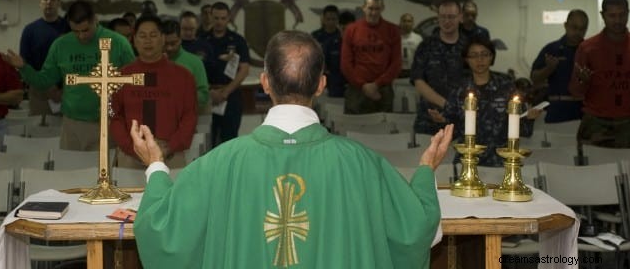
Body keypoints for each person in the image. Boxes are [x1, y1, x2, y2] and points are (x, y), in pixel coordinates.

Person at [130, 30, 452, 269]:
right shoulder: (363, 164)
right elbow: (415, 231)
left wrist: (156, 166)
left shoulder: (218, 163)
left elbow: (160, 231)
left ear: (266, 83)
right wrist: (424, 171)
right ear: (322, 85)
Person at [6, 0, 135, 151]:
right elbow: (44, 80)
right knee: (70, 172)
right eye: (76, 31)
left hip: (108, 122)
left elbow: (134, 82)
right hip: (71, 124)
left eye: (85, 30)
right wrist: (24, 68)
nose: (81, 36)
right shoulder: (61, 45)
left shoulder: (118, 43)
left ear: (95, 20)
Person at [429, 37, 540, 167]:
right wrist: (441, 121)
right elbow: (451, 131)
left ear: (492, 57)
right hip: (468, 159)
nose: (479, 60)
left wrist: (529, 118)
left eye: (484, 54)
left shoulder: (506, 85)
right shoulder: (459, 89)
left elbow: (522, 129)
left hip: (501, 160)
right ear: (466, 59)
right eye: (474, 55)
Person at [109, 16, 197, 168]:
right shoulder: (122, 76)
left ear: (163, 39)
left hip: (171, 155)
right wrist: (133, 148)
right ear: (134, 40)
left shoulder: (183, 76)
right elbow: (114, 117)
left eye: (153, 35)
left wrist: (169, 147)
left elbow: (190, 116)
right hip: (131, 155)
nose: (148, 41)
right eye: (142, 36)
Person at [569, 0, 630, 149]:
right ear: (603, 15)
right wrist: (583, 80)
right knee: (594, 172)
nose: (617, 20)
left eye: (622, 15)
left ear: (628, 13)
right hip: (596, 123)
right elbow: (575, 92)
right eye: (612, 16)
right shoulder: (587, 48)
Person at [411, 0, 468, 135]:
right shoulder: (426, 46)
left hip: (460, 120)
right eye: (443, 17)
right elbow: (418, 81)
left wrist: (453, 109)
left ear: (460, 17)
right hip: (429, 118)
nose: (446, 21)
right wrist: (445, 105)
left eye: (451, 17)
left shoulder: (469, 46)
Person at [341, 0, 401, 114]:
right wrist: (363, 85)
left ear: (382, 8)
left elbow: (396, 63)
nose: (373, 13)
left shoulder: (392, 30)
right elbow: (345, 63)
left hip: (383, 89)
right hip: (356, 89)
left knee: (385, 128)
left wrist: (377, 84)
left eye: (377, 9)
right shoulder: (351, 30)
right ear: (364, 7)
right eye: (370, 8)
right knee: (352, 128)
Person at [203, 2, 250, 145]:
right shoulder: (202, 39)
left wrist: (225, 92)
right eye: (216, 18)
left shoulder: (237, 40)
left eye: (223, 18)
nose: (219, 22)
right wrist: (210, 91)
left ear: (228, 18)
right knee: (206, 139)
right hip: (207, 94)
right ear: (210, 17)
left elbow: (244, 69)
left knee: (230, 140)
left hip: (230, 96)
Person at [19, 0, 70, 118]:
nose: (49, 2)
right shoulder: (30, 30)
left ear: (59, 3)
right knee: (39, 131)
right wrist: (47, 87)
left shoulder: (68, 28)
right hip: (38, 91)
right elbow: (25, 62)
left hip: (66, 90)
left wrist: (60, 88)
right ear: (40, 2)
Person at [530, 10, 589, 123]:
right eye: (574, 27)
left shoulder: (590, 51)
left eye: (582, 29)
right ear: (566, 25)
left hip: (583, 112)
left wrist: (587, 79)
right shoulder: (551, 49)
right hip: (557, 111)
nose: (578, 32)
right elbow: (534, 78)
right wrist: (549, 69)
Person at [162, 19, 210, 112]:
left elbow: (203, 95)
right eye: (165, 44)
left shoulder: (194, 62)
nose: (169, 48)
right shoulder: (151, 62)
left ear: (180, 39)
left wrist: (182, 97)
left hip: (185, 119)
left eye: (173, 43)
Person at [322, 11, 356, 98]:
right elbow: (324, 66)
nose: (347, 32)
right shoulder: (330, 43)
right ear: (339, 26)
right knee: (335, 110)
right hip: (335, 88)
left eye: (350, 29)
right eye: (344, 29)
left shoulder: (360, 44)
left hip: (355, 87)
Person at [180, 10, 216, 77]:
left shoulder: (205, 47)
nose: (188, 33)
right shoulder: (172, 46)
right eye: (184, 29)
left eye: (191, 29)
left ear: (197, 26)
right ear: (179, 27)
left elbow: (211, 72)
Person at [399, 13, 423, 78]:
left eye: (409, 21)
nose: (406, 24)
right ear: (400, 23)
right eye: (404, 21)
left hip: (413, 71)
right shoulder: (394, 38)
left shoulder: (418, 38)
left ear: (413, 23)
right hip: (398, 71)